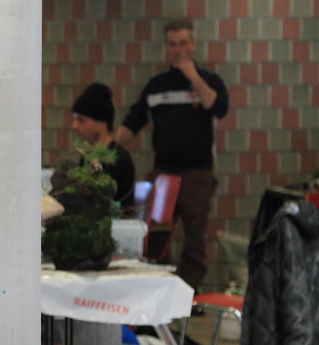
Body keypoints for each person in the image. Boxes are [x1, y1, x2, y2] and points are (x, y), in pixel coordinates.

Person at [116, 18, 229, 291]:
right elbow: (133, 122)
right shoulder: (156, 86)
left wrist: (193, 77)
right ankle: (160, 290)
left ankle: (189, 296)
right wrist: (108, 148)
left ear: (193, 45)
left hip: (197, 174)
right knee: (156, 236)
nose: (178, 50)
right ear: (166, 47)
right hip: (164, 173)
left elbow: (218, 107)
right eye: (172, 44)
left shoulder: (209, 80)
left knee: (195, 240)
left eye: (183, 43)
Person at [71, 82, 135, 211]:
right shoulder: (88, 156)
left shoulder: (119, 158)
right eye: (74, 119)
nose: (74, 126)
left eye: (81, 120)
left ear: (101, 122)